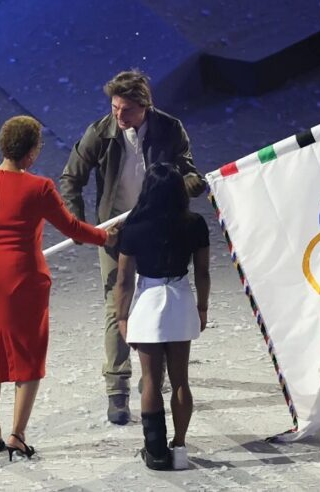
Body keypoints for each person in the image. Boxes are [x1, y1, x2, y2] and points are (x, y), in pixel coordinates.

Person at [60, 69, 206, 425]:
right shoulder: (101, 132)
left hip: (159, 228)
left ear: (144, 107)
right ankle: (117, 387)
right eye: (114, 107)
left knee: (161, 301)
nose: (118, 116)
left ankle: (156, 376)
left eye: (125, 110)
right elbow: (70, 179)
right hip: (115, 231)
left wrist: (180, 188)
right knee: (118, 304)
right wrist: (84, 228)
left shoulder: (170, 129)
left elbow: (189, 174)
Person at [0, 115, 117, 461]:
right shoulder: (39, 187)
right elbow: (71, 228)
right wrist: (103, 236)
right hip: (21, 277)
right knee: (29, 354)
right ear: (32, 153)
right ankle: (17, 434)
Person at [114, 163, 210, 470]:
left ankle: (155, 451)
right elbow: (203, 271)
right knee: (181, 380)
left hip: (149, 301)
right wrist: (202, 307)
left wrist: (121, 317)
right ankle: (179, 449)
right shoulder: (195, 223)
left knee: (152, 380)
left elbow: (124, 280)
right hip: (180, 299)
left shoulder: (134, 225)